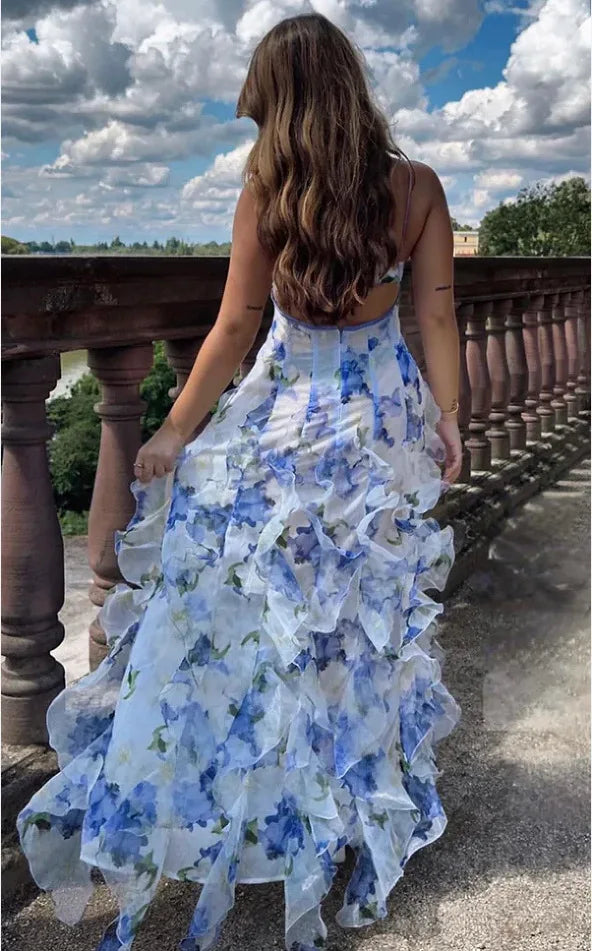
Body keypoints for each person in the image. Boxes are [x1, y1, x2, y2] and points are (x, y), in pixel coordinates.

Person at [17, 13, 462, 951]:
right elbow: (435, 316)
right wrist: (449, 417)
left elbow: (232, 328)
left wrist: (175, 430)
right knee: (358, 632)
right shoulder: (416, 188)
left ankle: (266, 814)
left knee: (255, 628)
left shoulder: (268, 192)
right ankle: (343, 809)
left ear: (281, 104)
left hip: (281, 430)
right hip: (377, 433)